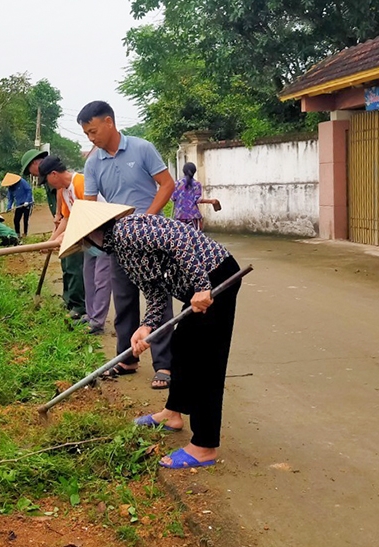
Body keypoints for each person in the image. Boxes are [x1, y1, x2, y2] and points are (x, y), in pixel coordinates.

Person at [58, 200, 242, 469]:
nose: (88, 247)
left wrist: (202, 286)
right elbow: (155, 289)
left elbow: (179, 240)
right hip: (198, 286)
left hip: (216, 277)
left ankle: (204, 446)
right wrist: (146, 326)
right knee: (181, 344)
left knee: (205, 360)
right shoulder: (122, 251)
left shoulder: (127, 232)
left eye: (86, 241)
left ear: (95, 233)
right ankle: (172, 414)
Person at [79, 100, 176, 389]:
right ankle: (127, 358)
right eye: (86, 134)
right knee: (123, 300)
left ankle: (165, 365)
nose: (91, 138)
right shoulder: (93, 163)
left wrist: (147, 219)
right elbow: (90, 205)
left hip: (151, 237)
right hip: (120, 241)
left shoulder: (142, 148)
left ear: (109, 122)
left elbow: (167, 184)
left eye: (93, 131)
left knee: (158, 298)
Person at [39, 155, 107, 333]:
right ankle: (90, 315)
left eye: (46, 180)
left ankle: (97, 323)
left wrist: (67, 237)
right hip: (89, 239)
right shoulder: (65, 190)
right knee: (88, 277)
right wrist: (52, 240)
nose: (48, 184)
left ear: (53, 174)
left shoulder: (80, 184)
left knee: (101, 280)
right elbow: (67, 218)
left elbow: (89, 216)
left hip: (104, 236)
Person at [22, 149, 84, 320]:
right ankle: (71, 302)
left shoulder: (75, 184)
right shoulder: (61, 187)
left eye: (31, 171)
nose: (36, 177)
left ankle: (80, 307)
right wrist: (53, 239)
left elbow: (80, 215)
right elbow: (66, 216)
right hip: (71, 229)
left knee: (76, 268)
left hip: (86, 234)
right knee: (68, 266)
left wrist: (63, 232)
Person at [171, 162, 220, 231]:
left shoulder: (176, 184)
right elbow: (197, 200)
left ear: (183, 171)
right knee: (196, 239)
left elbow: (173, 198)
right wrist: (211, 201)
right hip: (194, 217)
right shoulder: (197, 184)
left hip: (179, 217)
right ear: (194, 172)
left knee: (181, 239)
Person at [1, 173, 34, 237]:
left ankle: (25, 233)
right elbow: (10, 199)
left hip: (26, 204)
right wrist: (8, 207)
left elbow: (29, 191)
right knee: (16, 220)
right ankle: (17, 234)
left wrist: (27, 201)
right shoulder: (10, 188)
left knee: (25, 219)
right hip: (19, 204)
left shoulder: (22, 182)